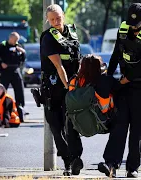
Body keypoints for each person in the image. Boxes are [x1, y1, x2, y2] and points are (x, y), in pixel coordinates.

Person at [98, 3, 141, 178]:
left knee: (139, 131)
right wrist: (109, 78)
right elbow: (117, 54)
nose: (134, 27)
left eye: (137, 23)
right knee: (119, 125)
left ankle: (132, 167)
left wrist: (125, 79)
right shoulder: (123, 31)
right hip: (124, 87)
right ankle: (111, 164)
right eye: (132, 23)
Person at [40, 4, 81, 176]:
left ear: (63, 15)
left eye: (58, 18)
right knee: (57, 128)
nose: (56, 22)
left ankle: (76, 158)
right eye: (52, 19)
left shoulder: (72, 33)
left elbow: (77, 61)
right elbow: (59, 66)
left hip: (70, 87)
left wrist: (77, 84)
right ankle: (67, 162)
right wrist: (68, 87)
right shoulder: (48, 37)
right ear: (48, 20)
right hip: (54, 89)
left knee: (72, 125)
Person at [66, 55, 118, 175]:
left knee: (68, 119)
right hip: (104, 124)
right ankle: (110, 162)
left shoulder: (74, 81)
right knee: (121, 123)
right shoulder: (107, 81)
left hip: (79, 125)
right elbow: (120, 90)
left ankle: (75, 158)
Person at [0, 32, 26, 122]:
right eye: (15, 40)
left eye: (17, 40)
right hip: (5, 71)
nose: (16, 42)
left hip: (15, 70)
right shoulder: (2, 45)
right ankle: (1, 110)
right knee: (2, 91)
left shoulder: (18, 46)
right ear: (10, 38)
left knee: (19, 90)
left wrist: (22, 52)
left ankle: (20, 111)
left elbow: (23, 59)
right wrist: (1, 64)